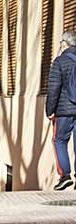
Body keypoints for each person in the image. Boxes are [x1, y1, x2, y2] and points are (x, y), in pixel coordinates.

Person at [47, 30, 76, 190]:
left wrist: (50, 110)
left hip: (64, 109)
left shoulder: (60, 61)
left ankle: (65, 176)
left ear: (65, 43)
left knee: (60, 140)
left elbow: (53, 88)